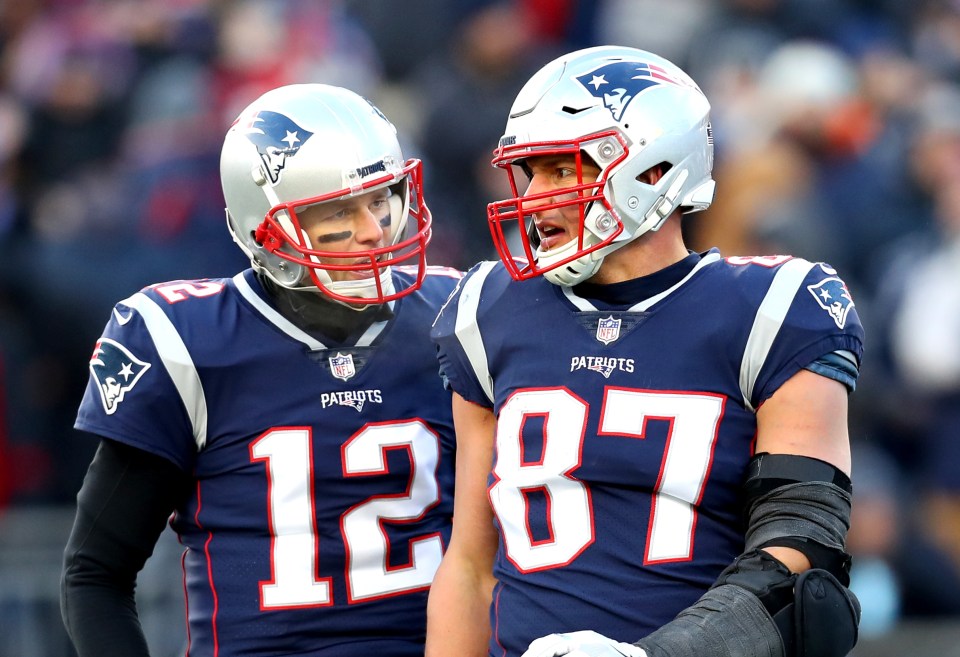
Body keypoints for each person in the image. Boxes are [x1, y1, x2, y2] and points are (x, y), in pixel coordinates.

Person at [426, 46, 863, 657]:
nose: (538, 195)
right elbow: (471, 566)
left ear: (654, 171)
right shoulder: (487, 308)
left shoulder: (775, 307)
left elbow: (800, 546)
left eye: (563, 170)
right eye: (533, 172)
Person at [61, 83, 462, 657]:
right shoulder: (188, 341)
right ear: (263, 230)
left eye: (381, 198)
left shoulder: (459, 316)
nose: (374, 228)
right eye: (337, 211)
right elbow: (95, 576)